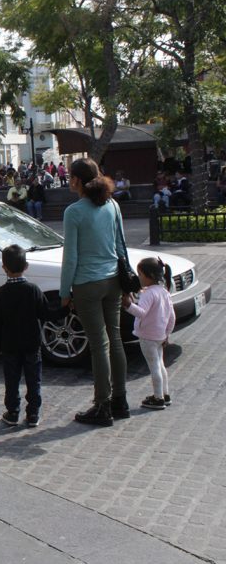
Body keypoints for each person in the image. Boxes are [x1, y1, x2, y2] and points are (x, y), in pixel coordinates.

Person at [60, 158, 127, 426]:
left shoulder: (74, 212)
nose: (67, 180)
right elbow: (121, 245)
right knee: (116, 338)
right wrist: (128, 283)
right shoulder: (112, 204)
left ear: (77, 180)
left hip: (88, 284)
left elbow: (71, 258)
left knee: (99, 344)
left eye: (69, 176)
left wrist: (65, 291)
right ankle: (120, 400)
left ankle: (102, 405)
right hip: (113, 279)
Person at [0, 245, 60, 427]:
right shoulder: (33, 290)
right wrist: (65, 308)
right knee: (33, 379)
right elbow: (46, 313)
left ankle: (13, 412)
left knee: (12, 380)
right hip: (31, 343)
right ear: (26, 266)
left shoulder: (2, 292)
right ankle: (32, 414)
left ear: (4, 268)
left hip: (10, 345)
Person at [122, 258, 176, 411]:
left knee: (154, 367)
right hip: (160, 336)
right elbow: (171, 316)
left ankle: (158, 398)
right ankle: (165, 394)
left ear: (149, 275)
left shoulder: (148, 294)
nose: (138, 278)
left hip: (147, 336)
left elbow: (141, 313)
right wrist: (167, 334)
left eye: (140, 274)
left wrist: (128, 305)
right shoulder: (164, 292)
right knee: (160, 364)